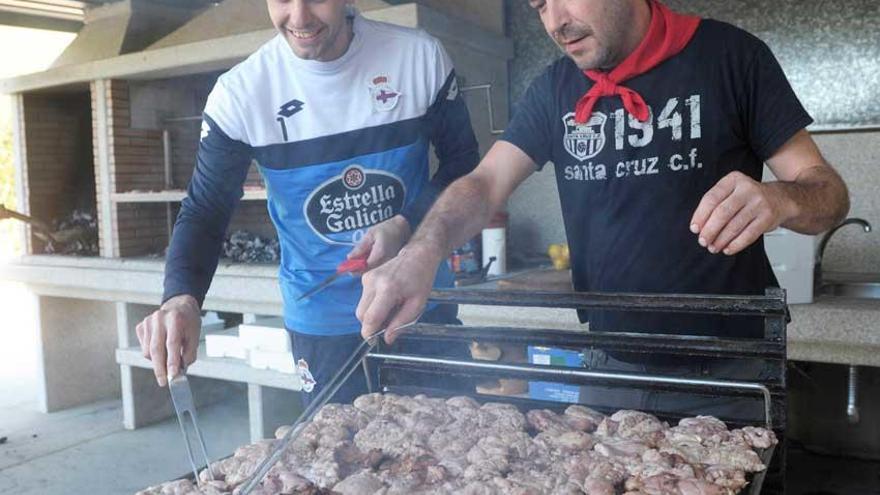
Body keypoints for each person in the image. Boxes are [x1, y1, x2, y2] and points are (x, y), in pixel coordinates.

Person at [135, 0, 479, 407]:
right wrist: (182, 297)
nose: (298, 18)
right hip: (320, 321)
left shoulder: (418, 58)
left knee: (454, 448)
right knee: (337, 459)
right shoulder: (241, 93)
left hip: (420, 303)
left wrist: (406, 224)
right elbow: (205, 209)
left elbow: (463, 165)